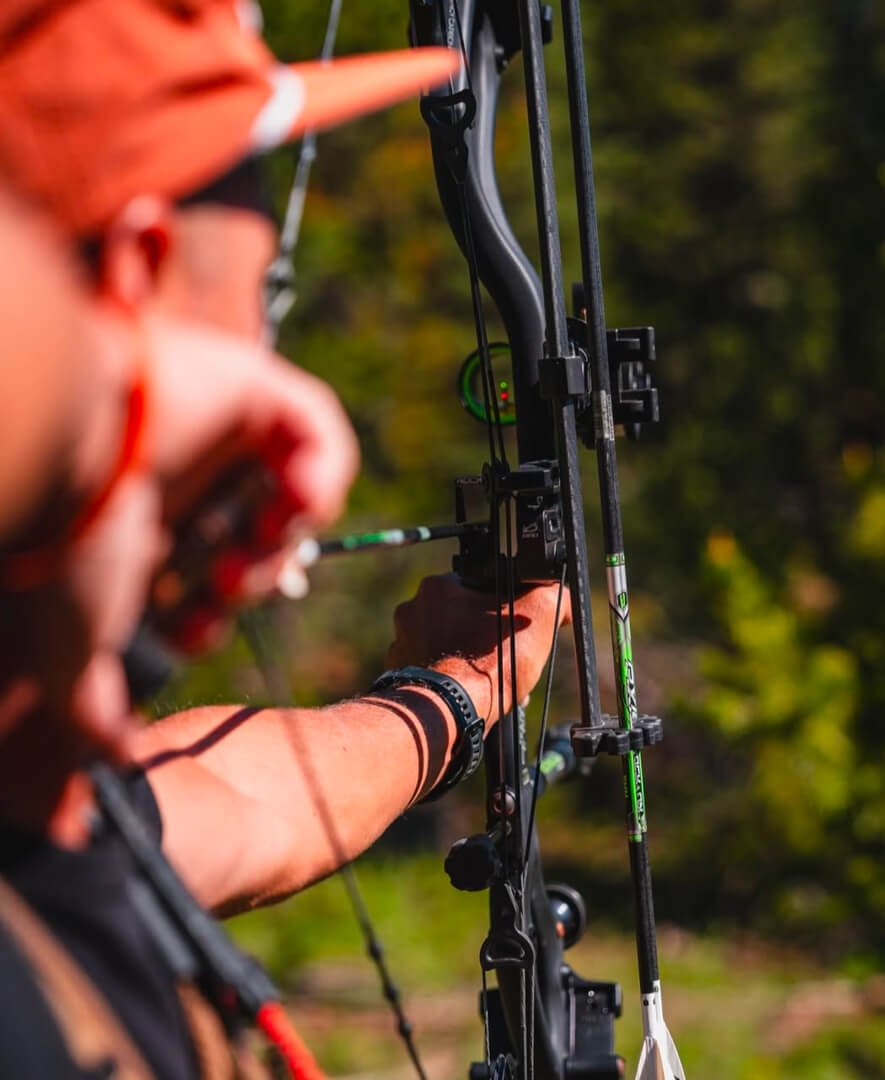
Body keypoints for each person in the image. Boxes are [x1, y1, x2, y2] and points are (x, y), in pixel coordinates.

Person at [0, 0, 569, 1075]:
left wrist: (461, 691)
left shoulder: (53, 799)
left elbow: (241, 800)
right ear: (132, 272)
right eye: (258, 301)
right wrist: (125, 398)